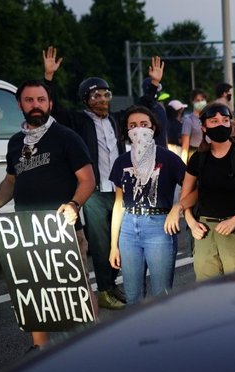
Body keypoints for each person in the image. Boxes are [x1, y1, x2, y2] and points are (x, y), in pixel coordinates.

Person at [0, 79, 94, 352]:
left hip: (62, 228)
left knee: (74, 291)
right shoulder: (17, 142)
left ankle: (85, 348)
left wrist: (74, 205)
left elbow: (87, 180)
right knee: (32, 290)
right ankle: (39, 351)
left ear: (50, 103)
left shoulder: (66, 137)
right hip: (26, 231)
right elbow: (11, 181)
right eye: (29, 100)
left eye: (41, 100)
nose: (36, 105)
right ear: (19, 105)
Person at [43, 47, 165, 310]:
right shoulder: (76, 121)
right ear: (85, 99)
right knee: (99, 242)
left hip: (120, 189)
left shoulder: (116, 120)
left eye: (106, 94)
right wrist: (49, 78)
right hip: (95, 191)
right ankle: (106, 290)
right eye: (96, 95)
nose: (102, 99)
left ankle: (115, 285)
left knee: (121, 239)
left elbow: (142, 107)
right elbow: (54, 109)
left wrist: (154, 84)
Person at [165, 103, 235, 281]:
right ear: (204, 127)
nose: (221, 124)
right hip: (204, 232)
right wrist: (190, 223)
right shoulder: (198, 158)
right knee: (208, 297)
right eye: (214, 121)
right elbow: (188, 197)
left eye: (225, 120)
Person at [108, 106, 186, 305]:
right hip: (128, 228)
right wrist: (113, 246)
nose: (138, 129)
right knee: (133, 296)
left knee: (161, 296)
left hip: (159, 226)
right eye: (132, 126)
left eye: (144, 124)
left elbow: (192, 187)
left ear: (153, 128)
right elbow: (119, 204)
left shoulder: (168, 158)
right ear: (126, 131)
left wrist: (178, 208)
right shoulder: (121, 162)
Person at [180, 89, 208, 164]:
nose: (200, 102)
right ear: (193, 102)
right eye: (197, 100)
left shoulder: (209, 118)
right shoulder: (189, 121)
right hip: (195, 154)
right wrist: (183, 164)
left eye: (202, 100)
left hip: (208, 154)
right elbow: (185, 145)